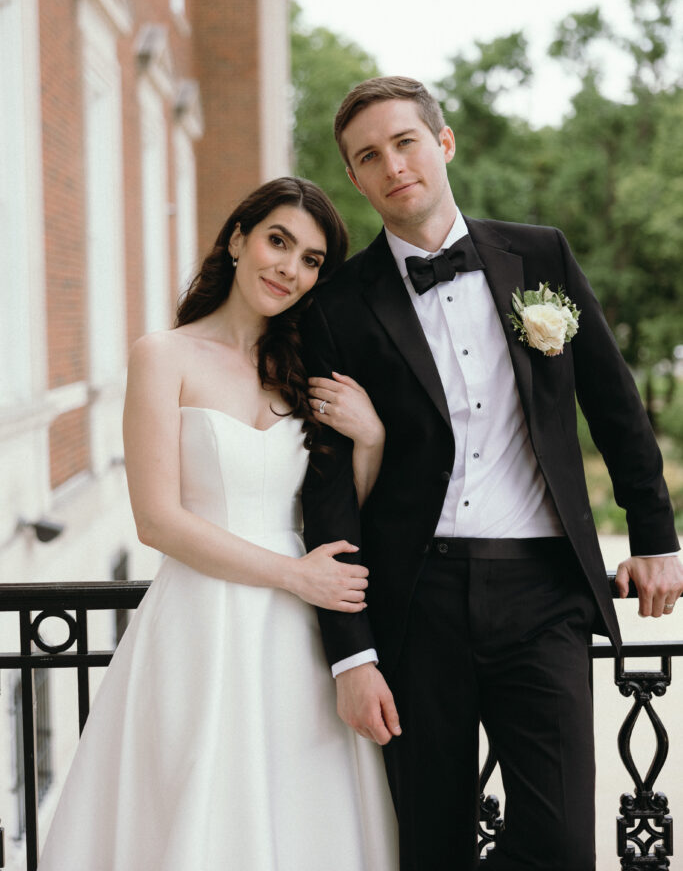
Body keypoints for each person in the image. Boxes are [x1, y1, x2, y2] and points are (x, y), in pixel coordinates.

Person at [301, 77, 683, 871]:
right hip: (415, 600)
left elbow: (614, 408)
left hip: (543, 591)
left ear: (442, 143)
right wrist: (351, 653)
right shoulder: (337, 306)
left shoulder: (537, 255)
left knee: (559, 845)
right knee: (431, 846)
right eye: (368, 156)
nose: (392, 165)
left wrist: (656, 537)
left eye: (404, 142)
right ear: (356, 179)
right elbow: (328, 490)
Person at [37, 177, 398, 871]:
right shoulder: (162, 355)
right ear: (237, 240)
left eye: (311, 259)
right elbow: (158, 521)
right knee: (202, 809)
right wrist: (293, 574)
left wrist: (371, 439)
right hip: (203, 620)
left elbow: (332, 506)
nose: (288, 267)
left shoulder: (302, 368)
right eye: (277, 241)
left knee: (303, 814)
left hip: (301, 632)